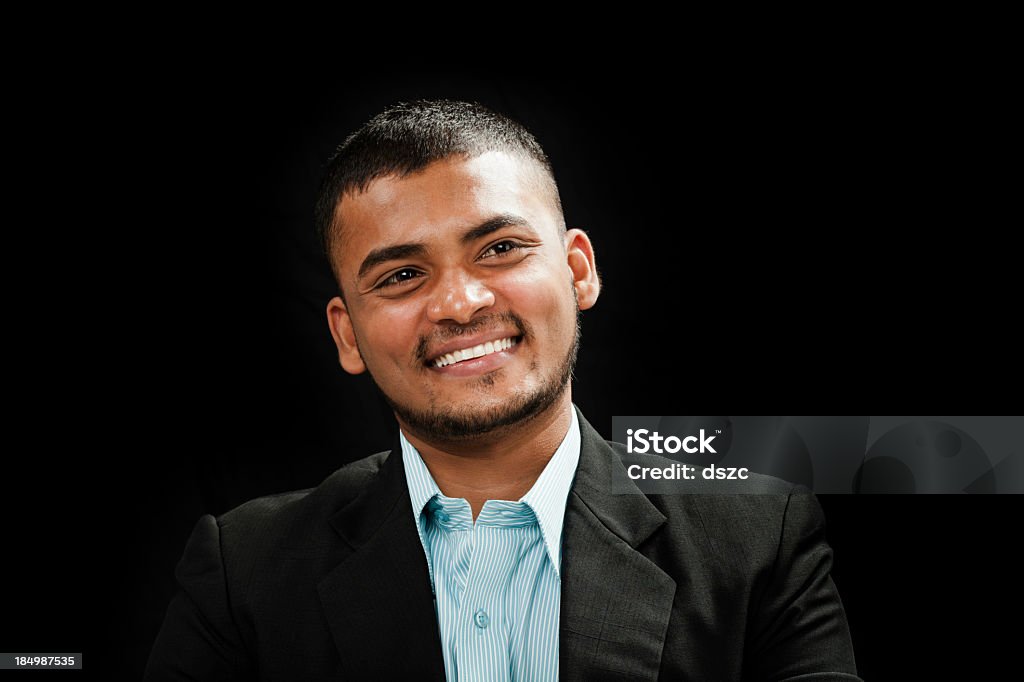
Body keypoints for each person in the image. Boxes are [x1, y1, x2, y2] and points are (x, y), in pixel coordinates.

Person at [145, 100, 860, 681]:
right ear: (347, 335)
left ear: (579, 270)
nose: (458, 303)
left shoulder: (758, 534)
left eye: (500, 248)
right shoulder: (243, 572)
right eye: (400, 276)